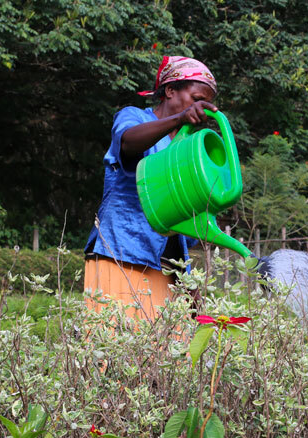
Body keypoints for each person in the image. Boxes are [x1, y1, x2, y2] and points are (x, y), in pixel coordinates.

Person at [83, 56, 218, 321]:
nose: (201, 108)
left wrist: (190, 290)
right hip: (122, 255)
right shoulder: (133, 117)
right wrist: (179, 117)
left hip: (169, 270)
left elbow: (183, 223)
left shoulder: (187, 146)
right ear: (170, 91)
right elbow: (128, 143)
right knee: (113, 349)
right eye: (196, 98)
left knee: (166, 358)